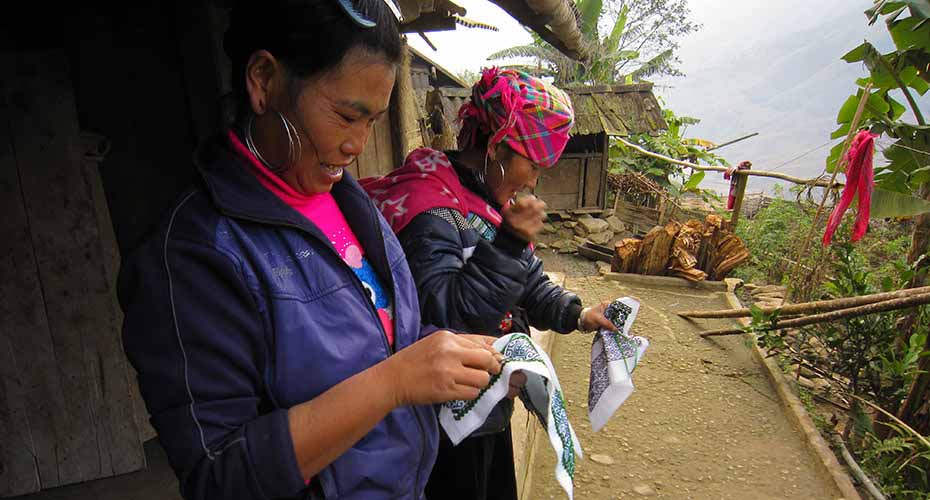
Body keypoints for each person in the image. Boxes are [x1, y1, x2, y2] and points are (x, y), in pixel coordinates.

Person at [118, 2, 502, 499]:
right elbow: (219, 477)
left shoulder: (348, 201)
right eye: (346, 116)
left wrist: (456, 353)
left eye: (374, 121)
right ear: (263, 80)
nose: (357, 145)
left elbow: (382, 333)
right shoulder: (192, 254)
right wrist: (393, 383)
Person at [362, 68, 619, 500]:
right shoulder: (431, 211)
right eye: (533, 164)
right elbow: (447, 316)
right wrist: (509, 243)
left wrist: (578, 314)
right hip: (448, 420)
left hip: (489, 407)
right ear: (497, 146)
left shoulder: (484, 199)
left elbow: (529, 284)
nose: (534, 180)